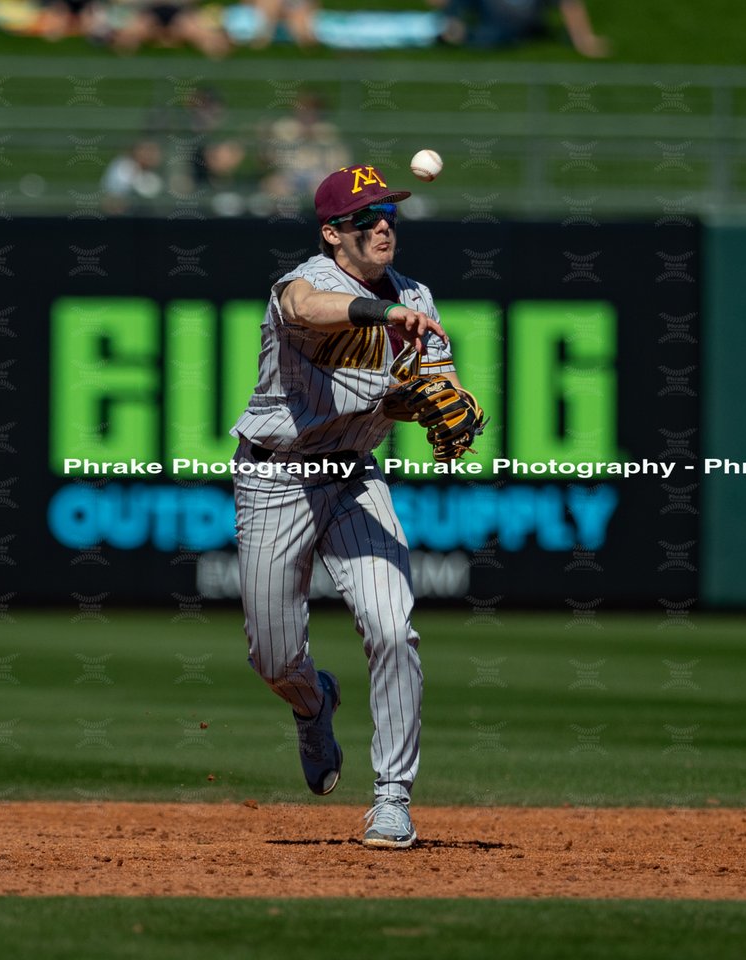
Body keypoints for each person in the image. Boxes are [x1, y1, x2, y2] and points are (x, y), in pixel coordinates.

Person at [230, 164, 461, 849]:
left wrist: (445, 418)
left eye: (389, 214)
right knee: (274, 660)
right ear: (334, 234)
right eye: (366, 218)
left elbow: (432, 387)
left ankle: (393, 798)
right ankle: (314, 701)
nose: (383, 225)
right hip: (277, 477)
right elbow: (306, 311)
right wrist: (386, 313)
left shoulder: (417, 294)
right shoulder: (306, 283)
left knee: (393, 629)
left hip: (355, 476)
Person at [433, 0, 610, 58]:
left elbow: (570, 4)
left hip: (511, 27)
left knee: (488, 37)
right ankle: (453, 31)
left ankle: (456, 32)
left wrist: (584, 40)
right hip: (498, 24)